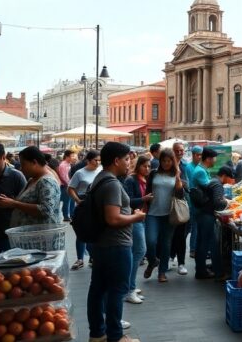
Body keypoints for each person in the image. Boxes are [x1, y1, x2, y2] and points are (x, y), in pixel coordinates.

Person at [86, 142, 144, 342]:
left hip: (103, 244)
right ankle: (115, 336)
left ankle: (97, 334)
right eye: (127, 159)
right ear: (116, 160)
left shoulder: (100, 179)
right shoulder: (111, 183)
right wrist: (136, 217)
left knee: (98, 289)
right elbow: (113, 218)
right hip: (116, 245)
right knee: (116, 291)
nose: (129, 163)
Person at [143, 149, 184, 283]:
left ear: (173, 161)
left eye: (169, 161)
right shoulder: (154, 173)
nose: (166, 163)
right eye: (164, 160)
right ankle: (152, 261)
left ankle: (162, 272)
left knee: (166, 244)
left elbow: (180, 195)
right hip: (153, 213)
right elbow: (147, 190)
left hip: (169, 214)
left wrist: (178, 177)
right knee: (150, 241)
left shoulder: (176, 174)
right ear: (160, 161)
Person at [0, 146, 62, 228]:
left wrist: (14, 203)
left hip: (41, 237)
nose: (21, 168)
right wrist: (11, 202)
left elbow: (46, 210)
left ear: (34, 162)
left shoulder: (47, 181)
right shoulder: (33, 179)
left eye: (23, 164)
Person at [191, 150, 226, 279]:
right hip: (204, 211)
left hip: (201, 211)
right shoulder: (200, 171)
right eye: (214, 158)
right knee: (209, 242)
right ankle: (215, 272)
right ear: (209, 159)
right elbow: (210, 188)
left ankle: (201, 270)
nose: (215, 160)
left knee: (203, 241)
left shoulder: (201, 169)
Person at [122, 156, 153, 302]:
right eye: (144, 166)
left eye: (149, 166)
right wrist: (144, 199)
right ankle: (129, 289)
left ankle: (130, 285)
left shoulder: (146, 180)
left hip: (143, 218)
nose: (147, 169)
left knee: (138, 252)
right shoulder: (131, 180)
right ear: (138, 165)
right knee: (140, 251)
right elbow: (127, 201)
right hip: (134, 218)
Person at [69, 151, 102, 270]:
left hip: (97, 204)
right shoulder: (80, 173)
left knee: (94, 232)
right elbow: (70, 188)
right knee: (81, 232)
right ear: (88, 160)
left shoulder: (101, 171)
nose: (98, 162)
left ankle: (93, 256)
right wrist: (77, 200)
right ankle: (80, 258)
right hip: (83, 204)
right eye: (95, 160)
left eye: (99, 160)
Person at [0, 143, 27, 254]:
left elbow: (27, 203)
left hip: (9, 233)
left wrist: (12, 203)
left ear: (3, 157)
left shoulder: (16, 176)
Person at [169, 142, 192, 275]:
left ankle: (181, 263)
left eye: (181, 151)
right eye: (177, 150)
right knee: (169, 235)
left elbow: (187, 185)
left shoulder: (185, 166)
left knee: (181, 236)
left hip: (182, 204)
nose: (179, 153)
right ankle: (170, 257)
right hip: (168, 204)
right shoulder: (167, 164)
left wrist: (181, 183)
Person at [57, 149, 77, 221]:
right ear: (67, 157)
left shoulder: (68, 164)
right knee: (67, 201)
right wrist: (70, 185)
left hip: (69, 185)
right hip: (65, 185)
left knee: (72, 200)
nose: (73, 157)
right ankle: (66, 216)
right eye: (72, 156)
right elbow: (63, 177)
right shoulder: (63, 165)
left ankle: (72, 214)